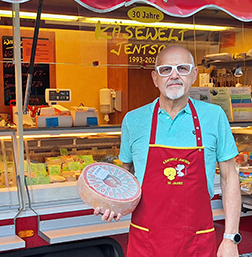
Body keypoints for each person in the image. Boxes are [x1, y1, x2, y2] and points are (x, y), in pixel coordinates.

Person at [94, 45, 241, 257]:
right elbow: (124, 175)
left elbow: (229, 179)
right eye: (165, 70)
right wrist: (111, 202)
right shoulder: (134, 120)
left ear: (194, 74)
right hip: (147, 241)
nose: (174, 76)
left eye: (182, 68)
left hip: (197, 241)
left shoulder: (214, 116)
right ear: (155, 78)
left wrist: (230, 238)